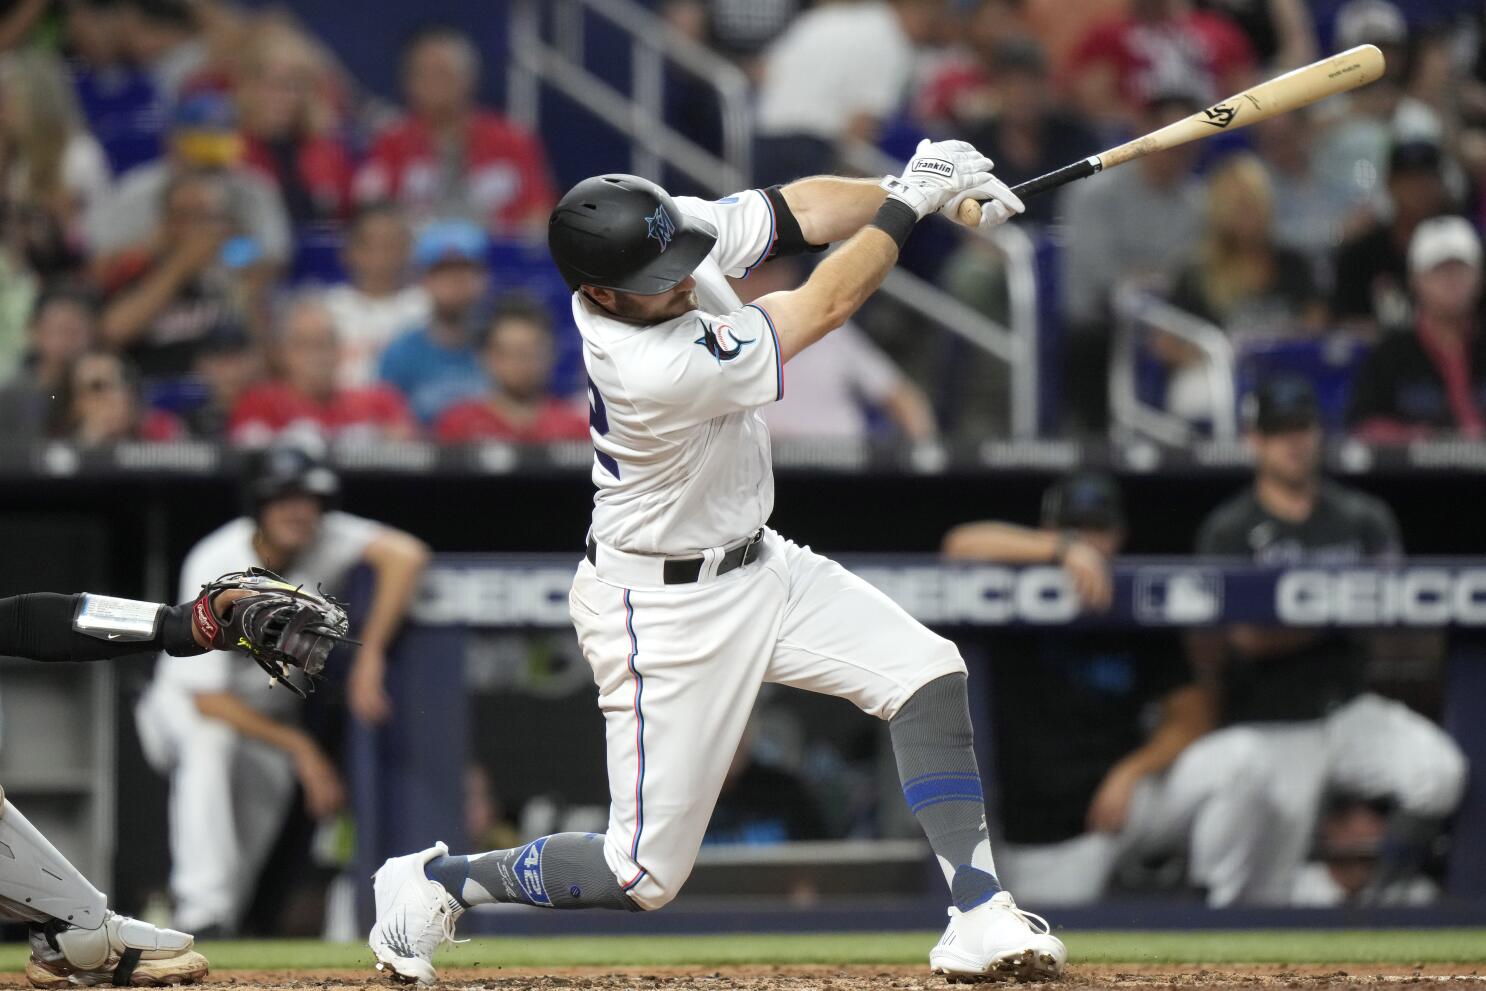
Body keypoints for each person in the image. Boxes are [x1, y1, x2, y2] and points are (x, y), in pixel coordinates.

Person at [366, 146, 1065, 984]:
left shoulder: (667, 240)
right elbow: (829, 301)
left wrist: (910, 193)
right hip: (658, 607)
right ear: (599, 294)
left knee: (924, 670)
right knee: (641, 875)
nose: (685, 278)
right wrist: (912, 205)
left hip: (763, 563)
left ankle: (980, 911)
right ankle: (434, 881)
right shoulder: (648, 366)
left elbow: (797, 211)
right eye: (660, 276)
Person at [1160, 375, 1468, 905]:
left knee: (1439, 772)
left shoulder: (1361, 517)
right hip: (1271, 726)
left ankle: (1384, 901)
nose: (1294, 441)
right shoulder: (1230, 528)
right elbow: (1248, 639)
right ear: (1254, 439)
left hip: (1347, 710)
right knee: (1267, 893)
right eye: (1279, 431)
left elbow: (1400, 618)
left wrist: (1315, 612)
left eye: (1302, 427)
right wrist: (1338, 608)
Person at [136, 443, 431, 935]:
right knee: (212, 747)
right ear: (259, 505)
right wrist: (302, 749)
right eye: (284, 499)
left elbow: (407, 555)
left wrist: (371, 653)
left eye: (309, 498)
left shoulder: (326, 536)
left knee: (244, 855)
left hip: (267, 721)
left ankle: (217, 928)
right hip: (188, 709)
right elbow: (207, 700)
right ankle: (199, 911)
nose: (299, 511)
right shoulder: (218, 560)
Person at [941, 472, 1211, 904]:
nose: (1087, 543)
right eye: (1073, 530)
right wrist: (1063, 552)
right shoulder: (1013, 588)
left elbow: (1194, 714)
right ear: (1048, 531)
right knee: (1048, 951)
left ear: (1119, 535)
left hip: (1122, 805)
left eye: (1097, 531)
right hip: (1045, 838)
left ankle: (1234, 925)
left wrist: (1132, 771)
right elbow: (959, 545)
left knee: (1240, 766)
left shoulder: (1132, 602)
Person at [1059, 89, 1205, 433]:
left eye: (1187, 140)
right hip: (1101, 320)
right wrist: (1148, 296)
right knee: (1096, 341)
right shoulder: (1095, 192)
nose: (1177, 151)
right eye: (1170, 137)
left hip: (1170, 321)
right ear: (1147, 134)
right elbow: (1100, 276)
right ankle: (1095, 439)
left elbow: (1194, 273)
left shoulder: (1198, 202)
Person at [1161, 154, 1327, 421]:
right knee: (1198, 395)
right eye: (1239, 207)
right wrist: (1214, 354)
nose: (1249, 216)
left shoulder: (1294, 263)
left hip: (1285, 372)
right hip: (1219, 377)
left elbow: (1316, 324)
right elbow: (1165, 343)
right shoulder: (1196, 272)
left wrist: (1284, 343)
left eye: (1255, 205)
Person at [353, 25, 555, 233]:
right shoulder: (390, 142)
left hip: (498, 257)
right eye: (422, 75)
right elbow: (371, 214)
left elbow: (538, 210)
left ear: (469, 78)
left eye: (442, 74)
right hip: (415, 259)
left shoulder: (513, 140)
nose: (432, 85)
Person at [86, 91, 292, 270]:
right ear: (173, 140)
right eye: (202, 137)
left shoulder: (254, 188)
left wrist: (228, 251)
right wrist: (160, 248)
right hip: (148, 286)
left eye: (219, 134)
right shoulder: (139, 188)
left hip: (231, 288)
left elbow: (273, 255)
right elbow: (104, 256)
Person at [737, 258, 936, 442]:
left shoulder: (828, 330)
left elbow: (903, 397)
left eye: (769, 272)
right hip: (768, 468)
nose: (760, 284)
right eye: (751, 276)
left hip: (842, 464)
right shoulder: (725, 340)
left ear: (787, 274)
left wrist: (925, 453)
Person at [752, 0, 947, 185]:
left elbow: (762, 71)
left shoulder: (820, 18)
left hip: (764, 141)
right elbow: (861, 123)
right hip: (814, 148)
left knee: (770, 218)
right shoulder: (890, 40)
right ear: (918, 8)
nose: (933, 29)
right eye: (933, 19)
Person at [96, 169, 261, 378]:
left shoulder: (235, 270)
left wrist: (250, 287)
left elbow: (260, 351)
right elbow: (113, 332)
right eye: (184, 216)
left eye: (207, 217)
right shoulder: (138, 265)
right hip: (155, 391)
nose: (196, 228)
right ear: (166, 223)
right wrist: (180, 266)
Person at [1347, 216, 1486, 439]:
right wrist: (1413, 437)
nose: (1451, 280)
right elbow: (1364, 425)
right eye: (1439, 270)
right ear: (1414, 280)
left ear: (1479, 277)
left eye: (1460, 268)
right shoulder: (1389, 354)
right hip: (1415, 474)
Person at [228, 295, 417, 445]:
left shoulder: (379, 401)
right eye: (305, 344)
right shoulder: (259, 403)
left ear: (340, 350)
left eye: (326, 343)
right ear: (282, 353)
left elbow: (408, 441)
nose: (317, 355)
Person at [1065, 0, 1255, 134]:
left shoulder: (1220, 32)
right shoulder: (1109, 36)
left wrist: (1205, 124)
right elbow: (1093, 104)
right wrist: (1150, 126)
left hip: (1212, 135)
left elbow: (1245, 98)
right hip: (1138, 139)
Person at [233, 22, 353, 227]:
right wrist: (249, 256)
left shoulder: (328, 153)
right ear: (247, 87)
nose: (280, 97)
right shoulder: (230, 152)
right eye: (269, 85)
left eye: (292, 86)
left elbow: (347, 221)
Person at [1329, 139, 1453, 335]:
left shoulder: (1460, 246)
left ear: (1441, 184)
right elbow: (1344, 322)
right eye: (1408, 180)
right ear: (1390, 184)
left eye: (1427, 179)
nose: (1418, 190)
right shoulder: (1361, 253)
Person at [377, 220, 490, 425]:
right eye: (444, 271)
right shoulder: (400, 353)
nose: (456, 282)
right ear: (425, 280)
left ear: (482, 279)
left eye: (465, 270)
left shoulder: (500, 348)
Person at [433, 297, 588, 443]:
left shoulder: (574, 427)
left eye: (528, 352)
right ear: (487, 356)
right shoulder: (458, 425)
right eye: (508, 352)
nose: (518, 363)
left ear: (550, 354)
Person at [323, 205, 430, 389]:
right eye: (369, 245)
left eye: (390, 245)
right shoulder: (326, 309)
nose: (380, 256)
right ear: (348, 252)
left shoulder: (425, 307)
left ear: (408, 250)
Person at [0, 289, 97, 437]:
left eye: (76, 332)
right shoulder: (11, 396)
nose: (68, 341)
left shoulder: (101, 389)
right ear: (35, 332)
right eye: (60, 330)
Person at [49, 349, 184, 445]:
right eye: (97, 387)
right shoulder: (55, 453)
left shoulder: (162, 432)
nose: (117, 395)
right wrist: (91, 445)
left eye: (123, 382)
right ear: (75, 404)